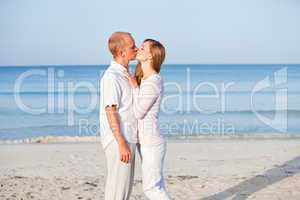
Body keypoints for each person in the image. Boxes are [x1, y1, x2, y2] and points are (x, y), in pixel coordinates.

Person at [125, 39, 171, 200]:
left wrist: (134, 87)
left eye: (143, 48)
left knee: (151, 189)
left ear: (151, 56)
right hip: (145, 141)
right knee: (157, 185)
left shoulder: (153, 82)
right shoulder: (145, 78)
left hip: (152, 142)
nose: (138, 49)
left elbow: (138, 112)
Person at [99, 32, 138, 200]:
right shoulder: (111, 77)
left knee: (123, 189)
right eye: (132, 47)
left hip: (129, 137)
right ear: (122, 53)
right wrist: (121, 142)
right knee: (117, 190)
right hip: (119, 140)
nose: (136, 49)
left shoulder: (124, 74)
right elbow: (110, 111)